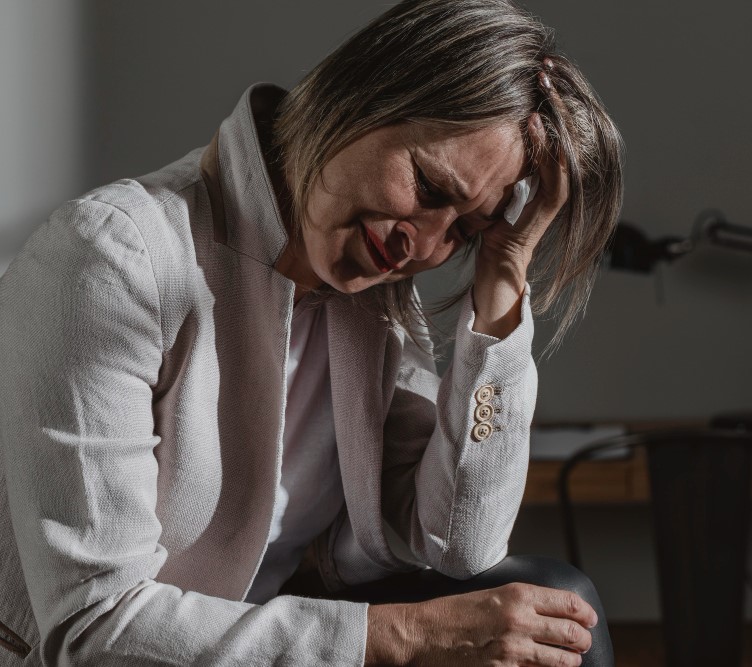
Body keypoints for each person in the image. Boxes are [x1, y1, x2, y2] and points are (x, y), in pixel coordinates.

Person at [0, 0, 623, 664]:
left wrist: (504, 270)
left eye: (464, 231)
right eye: (429, 187)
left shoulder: (373, 300)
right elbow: (95, 629)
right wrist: (404, 636)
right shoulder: (111, 257)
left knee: (558, 603)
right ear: (366, 94)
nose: (423, 246)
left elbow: (460, 545)